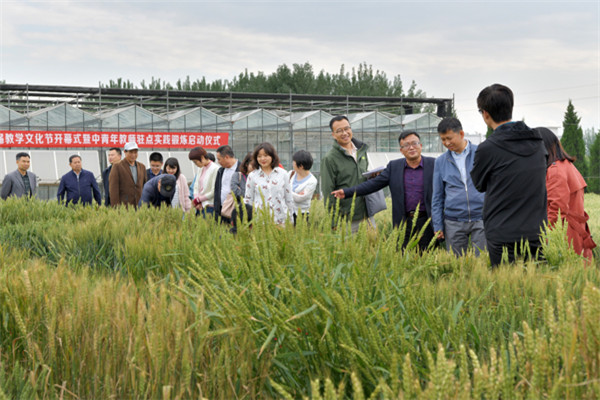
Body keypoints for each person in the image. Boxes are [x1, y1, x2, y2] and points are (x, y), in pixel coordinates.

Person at [470, 84, 547, 267]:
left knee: (506, 292)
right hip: (536, 231)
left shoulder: (487, 148)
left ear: (485, 113)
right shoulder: (538, 143)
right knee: (536, 290)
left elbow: (479, 184)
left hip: (502, 233)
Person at [332, 131, 436, 250]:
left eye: (414, 143)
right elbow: (373, 185)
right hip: (403, 222)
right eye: (406, 145)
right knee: (403, 257)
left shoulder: (433, 164)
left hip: (427, 221)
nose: (411, 147)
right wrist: (347, 192)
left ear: (420, 146)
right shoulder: (394, 167)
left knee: (428, 254)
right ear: (401, 150)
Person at [537, 127, 596, 262]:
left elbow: (557, 210)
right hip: (573, 231)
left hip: (565, 234)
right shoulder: (565, 164)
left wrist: (544, 238)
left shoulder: (555, 170)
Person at [432, 117, 486, 256]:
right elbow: (437, 196)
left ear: (461, 134)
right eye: (443, 139)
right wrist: (438, 225)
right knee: (456, 264)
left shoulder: (481, 153)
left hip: (481, 218)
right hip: (453, 221)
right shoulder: (441, 161)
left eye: (449, 138)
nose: (446, 143)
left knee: (481, 261)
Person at [321, 116, 371, 233]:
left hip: (366, 214)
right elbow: (328, 192)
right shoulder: (330, 159)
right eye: (339, 131)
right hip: (346, 219)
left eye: (347, 128)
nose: (344, 133)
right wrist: (333, 222)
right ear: (333, 135)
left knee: (371, 248)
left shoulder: (361, 152)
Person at [244, 142, 294, 225]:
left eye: (266, 155)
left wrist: (291, 220)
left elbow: (289, 199)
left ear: (272, 156)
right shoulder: (252, 176)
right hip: (260, 221)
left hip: (281, 220)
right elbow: (248, 199)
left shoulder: (283, 174)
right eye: (259, 156)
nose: (262, 159)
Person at [109, 142, 147, 208]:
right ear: (125, 152)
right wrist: (116, 209)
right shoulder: (117, 166)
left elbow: (145, 187)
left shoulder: (142, 167)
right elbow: (113, 190)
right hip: (124, 206)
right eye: (131, 152)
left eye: (135, 152)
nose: (133, 155)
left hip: (139, 205)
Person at [188, 146, 219, 217]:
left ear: (202, 158)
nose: (195, 164)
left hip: (209, 206)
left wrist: (198, 200)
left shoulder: (215, 169)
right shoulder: (201, 168)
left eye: (195, 162)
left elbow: (213, 191)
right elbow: (196, 185)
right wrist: (197, 200)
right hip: (199, 206)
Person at [289, 150, 318, 225]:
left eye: (294, 162)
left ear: (301, 166)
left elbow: (300, 199)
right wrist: (295, 194)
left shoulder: (312, 181)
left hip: (302, 214)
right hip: (288, 212)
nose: (293, 164)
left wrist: (287, 191)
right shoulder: (291, 174)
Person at [213, 145, 240, 223]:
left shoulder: (241, 169)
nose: (218, 162)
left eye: (219, 159)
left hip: (235, 210)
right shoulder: (220, 171)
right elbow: (217, 191)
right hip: (221, 210)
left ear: (227, 157)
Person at [230, 152, 254, 232]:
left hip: (254, 213)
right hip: (240, 211)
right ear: (246, 164)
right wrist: (250, 195)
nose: (255, 167)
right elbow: (235, 191)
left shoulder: (259, 178)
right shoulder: (237, 175)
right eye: (252, 165)